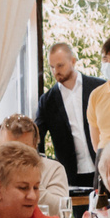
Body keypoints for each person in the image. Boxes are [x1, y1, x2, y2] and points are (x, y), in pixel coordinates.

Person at [36, 40, 101, 198]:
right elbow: (37, 138)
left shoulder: (98, 88)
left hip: (103, 168)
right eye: (52, 67)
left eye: (60, 65)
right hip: (72, 175)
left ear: (73, 61)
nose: (55, 71)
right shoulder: (47, 101)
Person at [0, 113, 70, 218]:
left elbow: (60, 211)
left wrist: (31, 183)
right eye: (9, 148)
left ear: (35, 147)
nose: (15, 157)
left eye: (23, 150)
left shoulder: (53, 169)